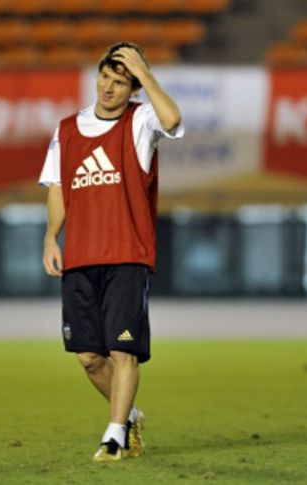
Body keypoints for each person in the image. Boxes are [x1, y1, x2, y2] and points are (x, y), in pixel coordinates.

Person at [38, 42, 184, 462]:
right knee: (88, 357)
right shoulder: (67, 129)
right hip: (81, 257)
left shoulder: (141, 122)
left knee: (123, 351)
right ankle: (130, 416)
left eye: (121, 82)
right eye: (105, 77)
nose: (108, 87)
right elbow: (59, 187)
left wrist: (146, 71)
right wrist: (52, 237)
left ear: (133, 90)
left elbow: (173, 118)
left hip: (126, 254)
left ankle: (114, 436)